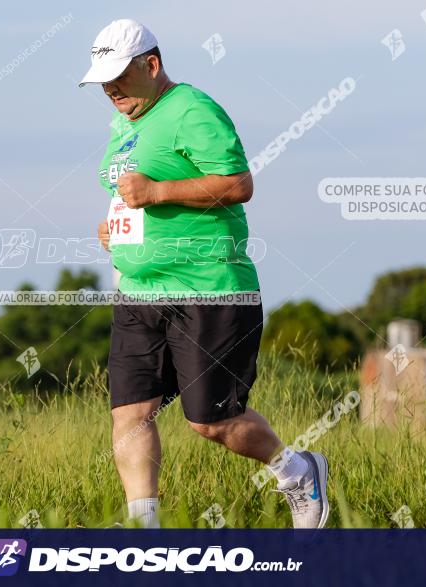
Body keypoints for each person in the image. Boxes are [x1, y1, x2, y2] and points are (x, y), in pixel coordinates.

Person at [79, 19, 330, 530]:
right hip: (138, 292)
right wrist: (118, 227)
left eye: (119, 76)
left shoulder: (193, 110)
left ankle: (298, 471)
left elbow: (238, 183)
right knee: (130, 415)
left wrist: (157, 195)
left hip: (209, 289)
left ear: (151, 65)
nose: (110, 89)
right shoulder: (124, 121)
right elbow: (132, 187)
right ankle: (143, 531)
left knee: (211, 420)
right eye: (102, 80)